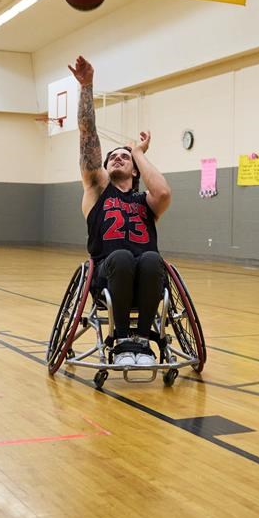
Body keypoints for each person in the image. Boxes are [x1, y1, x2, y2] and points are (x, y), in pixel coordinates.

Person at [68, 55, 172, 367]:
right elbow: (88, 136)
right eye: (113, 156)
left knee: (153, 258)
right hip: (107, 274)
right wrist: (87, 88)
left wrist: (137, 151)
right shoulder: (97, 191)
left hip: (147, 275)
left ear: (136, 169)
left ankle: (141, 341)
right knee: (124, 256)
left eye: (124, 157)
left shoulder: (146, 202)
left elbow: (163, 192)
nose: (117, 158)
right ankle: (122, 339)